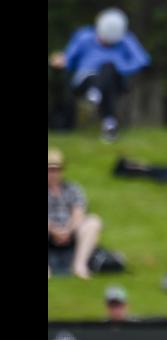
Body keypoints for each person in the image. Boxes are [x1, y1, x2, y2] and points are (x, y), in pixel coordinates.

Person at [49, 7, 150, 141]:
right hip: (86, 80)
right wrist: (60, 60)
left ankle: (95, 94)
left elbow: (142, 60)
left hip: (114, 79)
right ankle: (109, 124)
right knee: (102, 82)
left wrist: (120, 68)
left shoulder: (126, 39)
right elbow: (69, 59)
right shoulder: (83, 36)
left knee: (108, 68)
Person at [48, 148, 103, 280]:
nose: (53, 174)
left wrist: (68, 230)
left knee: (94, 222)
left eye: (57, 170)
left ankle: (79, 265)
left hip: (70, 232)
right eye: (50, 170)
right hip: (50, 231)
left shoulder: (73, 189)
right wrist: (54, 231)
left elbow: (78, 212)